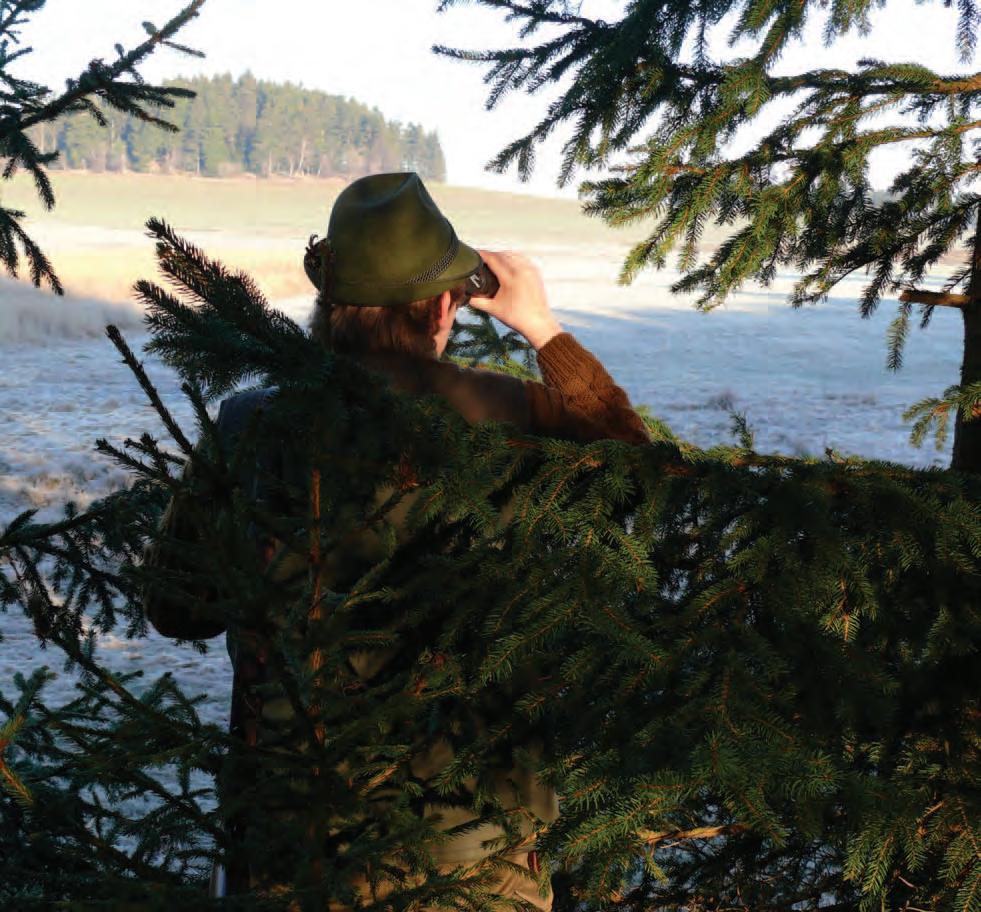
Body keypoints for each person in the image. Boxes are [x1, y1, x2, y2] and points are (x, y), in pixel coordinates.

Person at [145, 172, 650, 908]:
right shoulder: (509, 414)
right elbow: (637, 480)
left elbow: (177, 608)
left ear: (329, 303)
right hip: (475, 842)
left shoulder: (249, 422)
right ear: (443, 305)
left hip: (288, 832)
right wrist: (542, 327)